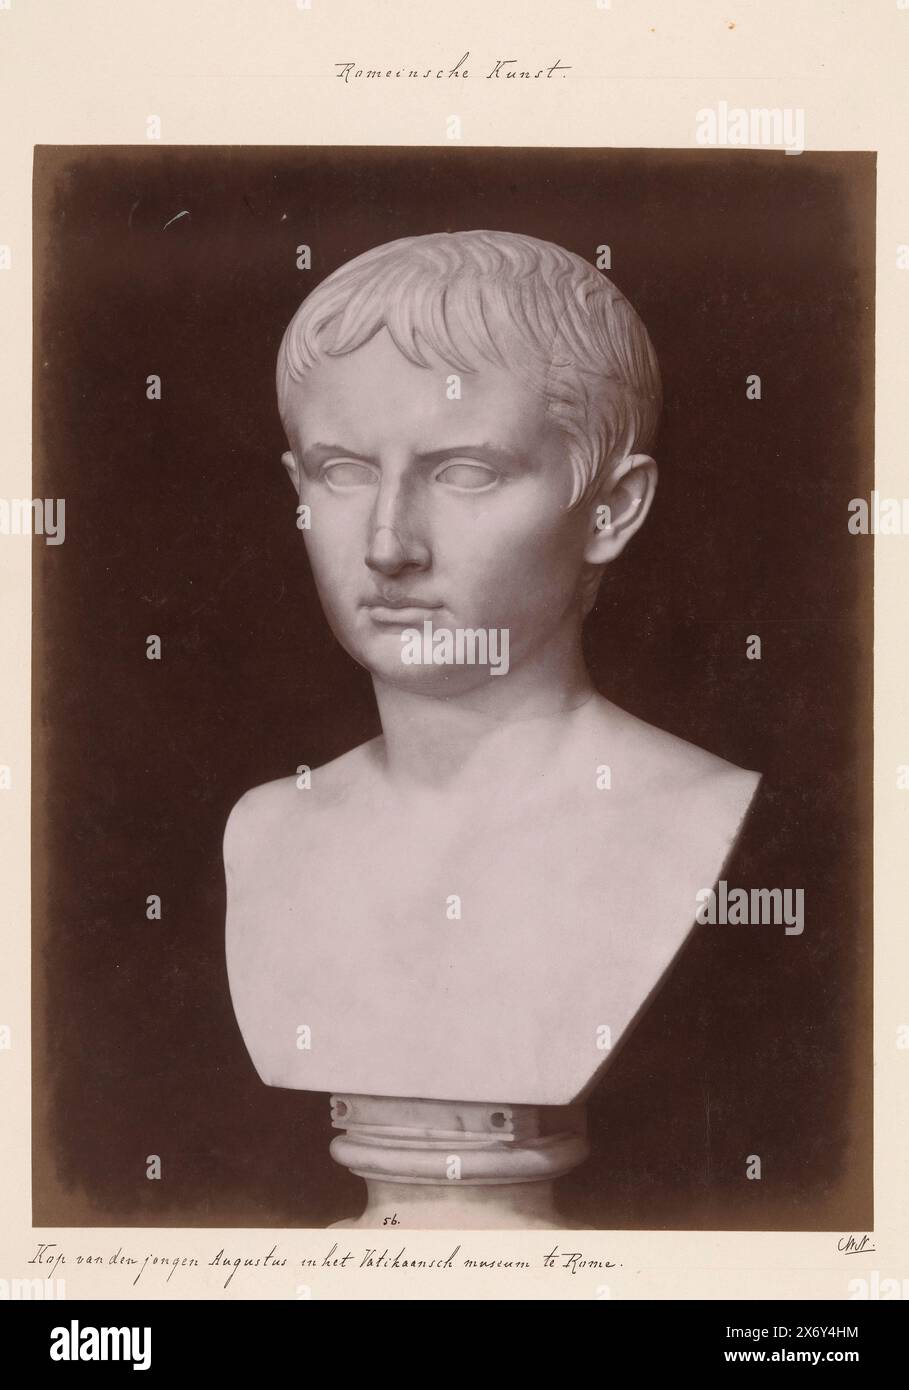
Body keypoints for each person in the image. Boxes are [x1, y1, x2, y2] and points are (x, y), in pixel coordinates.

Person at [224, 230, 760, 1110]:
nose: (389, 543)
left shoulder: (704, 823)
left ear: (611, 510)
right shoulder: (263, 832)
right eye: (344, 472)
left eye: (465, 473)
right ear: (298, 491)